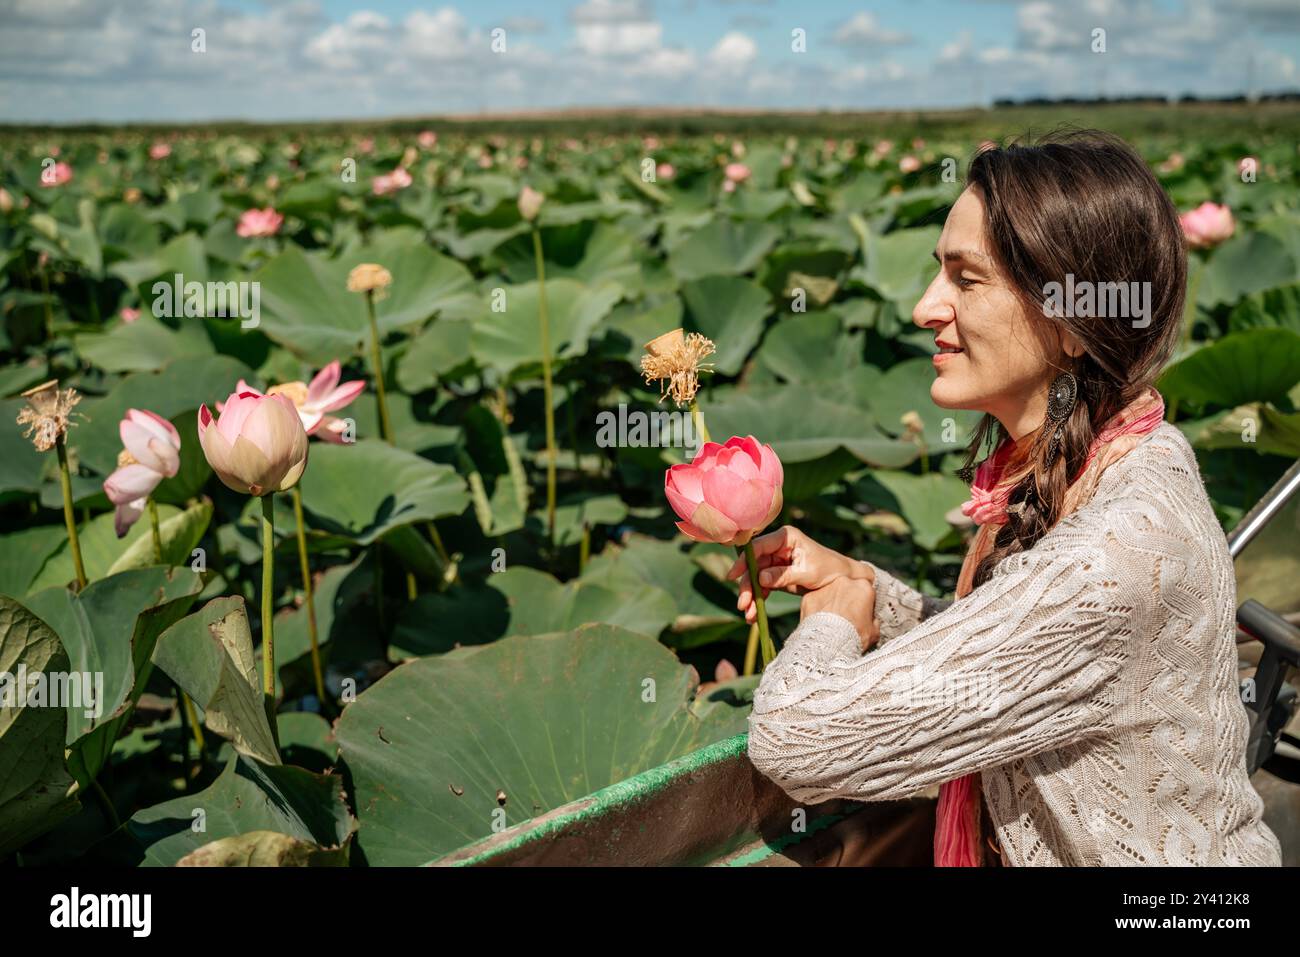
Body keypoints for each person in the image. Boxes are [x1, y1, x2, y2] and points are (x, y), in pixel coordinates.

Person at [731, 130, 1283, 867]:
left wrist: (831, 628)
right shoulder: (1131, 450)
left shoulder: (1119, 551)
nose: (927, 306)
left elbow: (798, 738)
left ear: (1073, 320)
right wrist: (866, 589)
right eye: (938, 273)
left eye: (967, 279)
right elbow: (1019, 656)